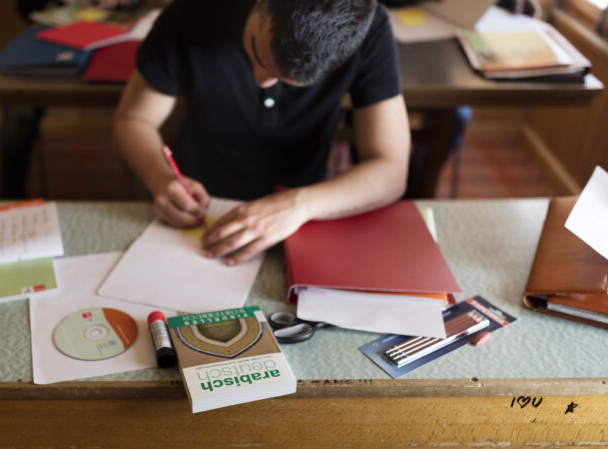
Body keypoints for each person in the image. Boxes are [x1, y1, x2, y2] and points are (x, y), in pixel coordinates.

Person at [114, 0, 411, 266]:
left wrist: (300, 205)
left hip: (308, 213)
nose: (261, 81)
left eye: (289, 81)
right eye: (257, 52)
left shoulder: (370, 27)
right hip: (202, 204)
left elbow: (391, 169)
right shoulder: (192, 12)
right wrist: (159, 177)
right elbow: (134, 118)